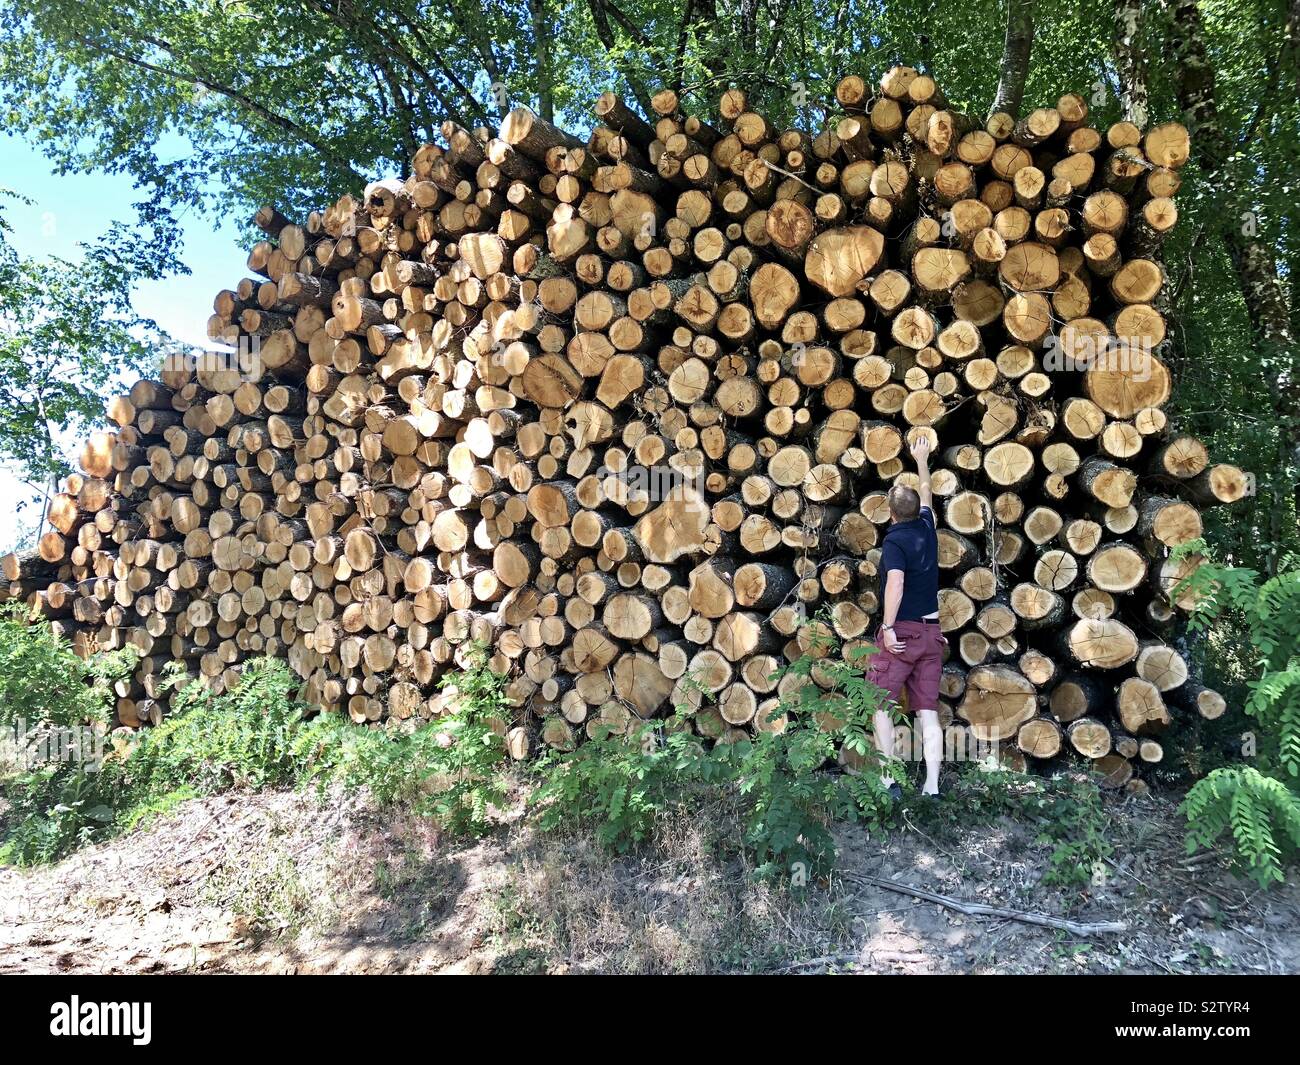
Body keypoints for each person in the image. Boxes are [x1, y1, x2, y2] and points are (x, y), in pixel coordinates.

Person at [870, 434, 945, 799]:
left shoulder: (895, 541)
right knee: (926, 710)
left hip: (904, 634)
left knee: (879, 701)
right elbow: (927, 493)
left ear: (891, 513)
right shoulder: (927, 528)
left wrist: (886, 627)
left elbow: (895, 583)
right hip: (934, 634)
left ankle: (888, 781)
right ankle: (932, 787)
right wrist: (921, 460)